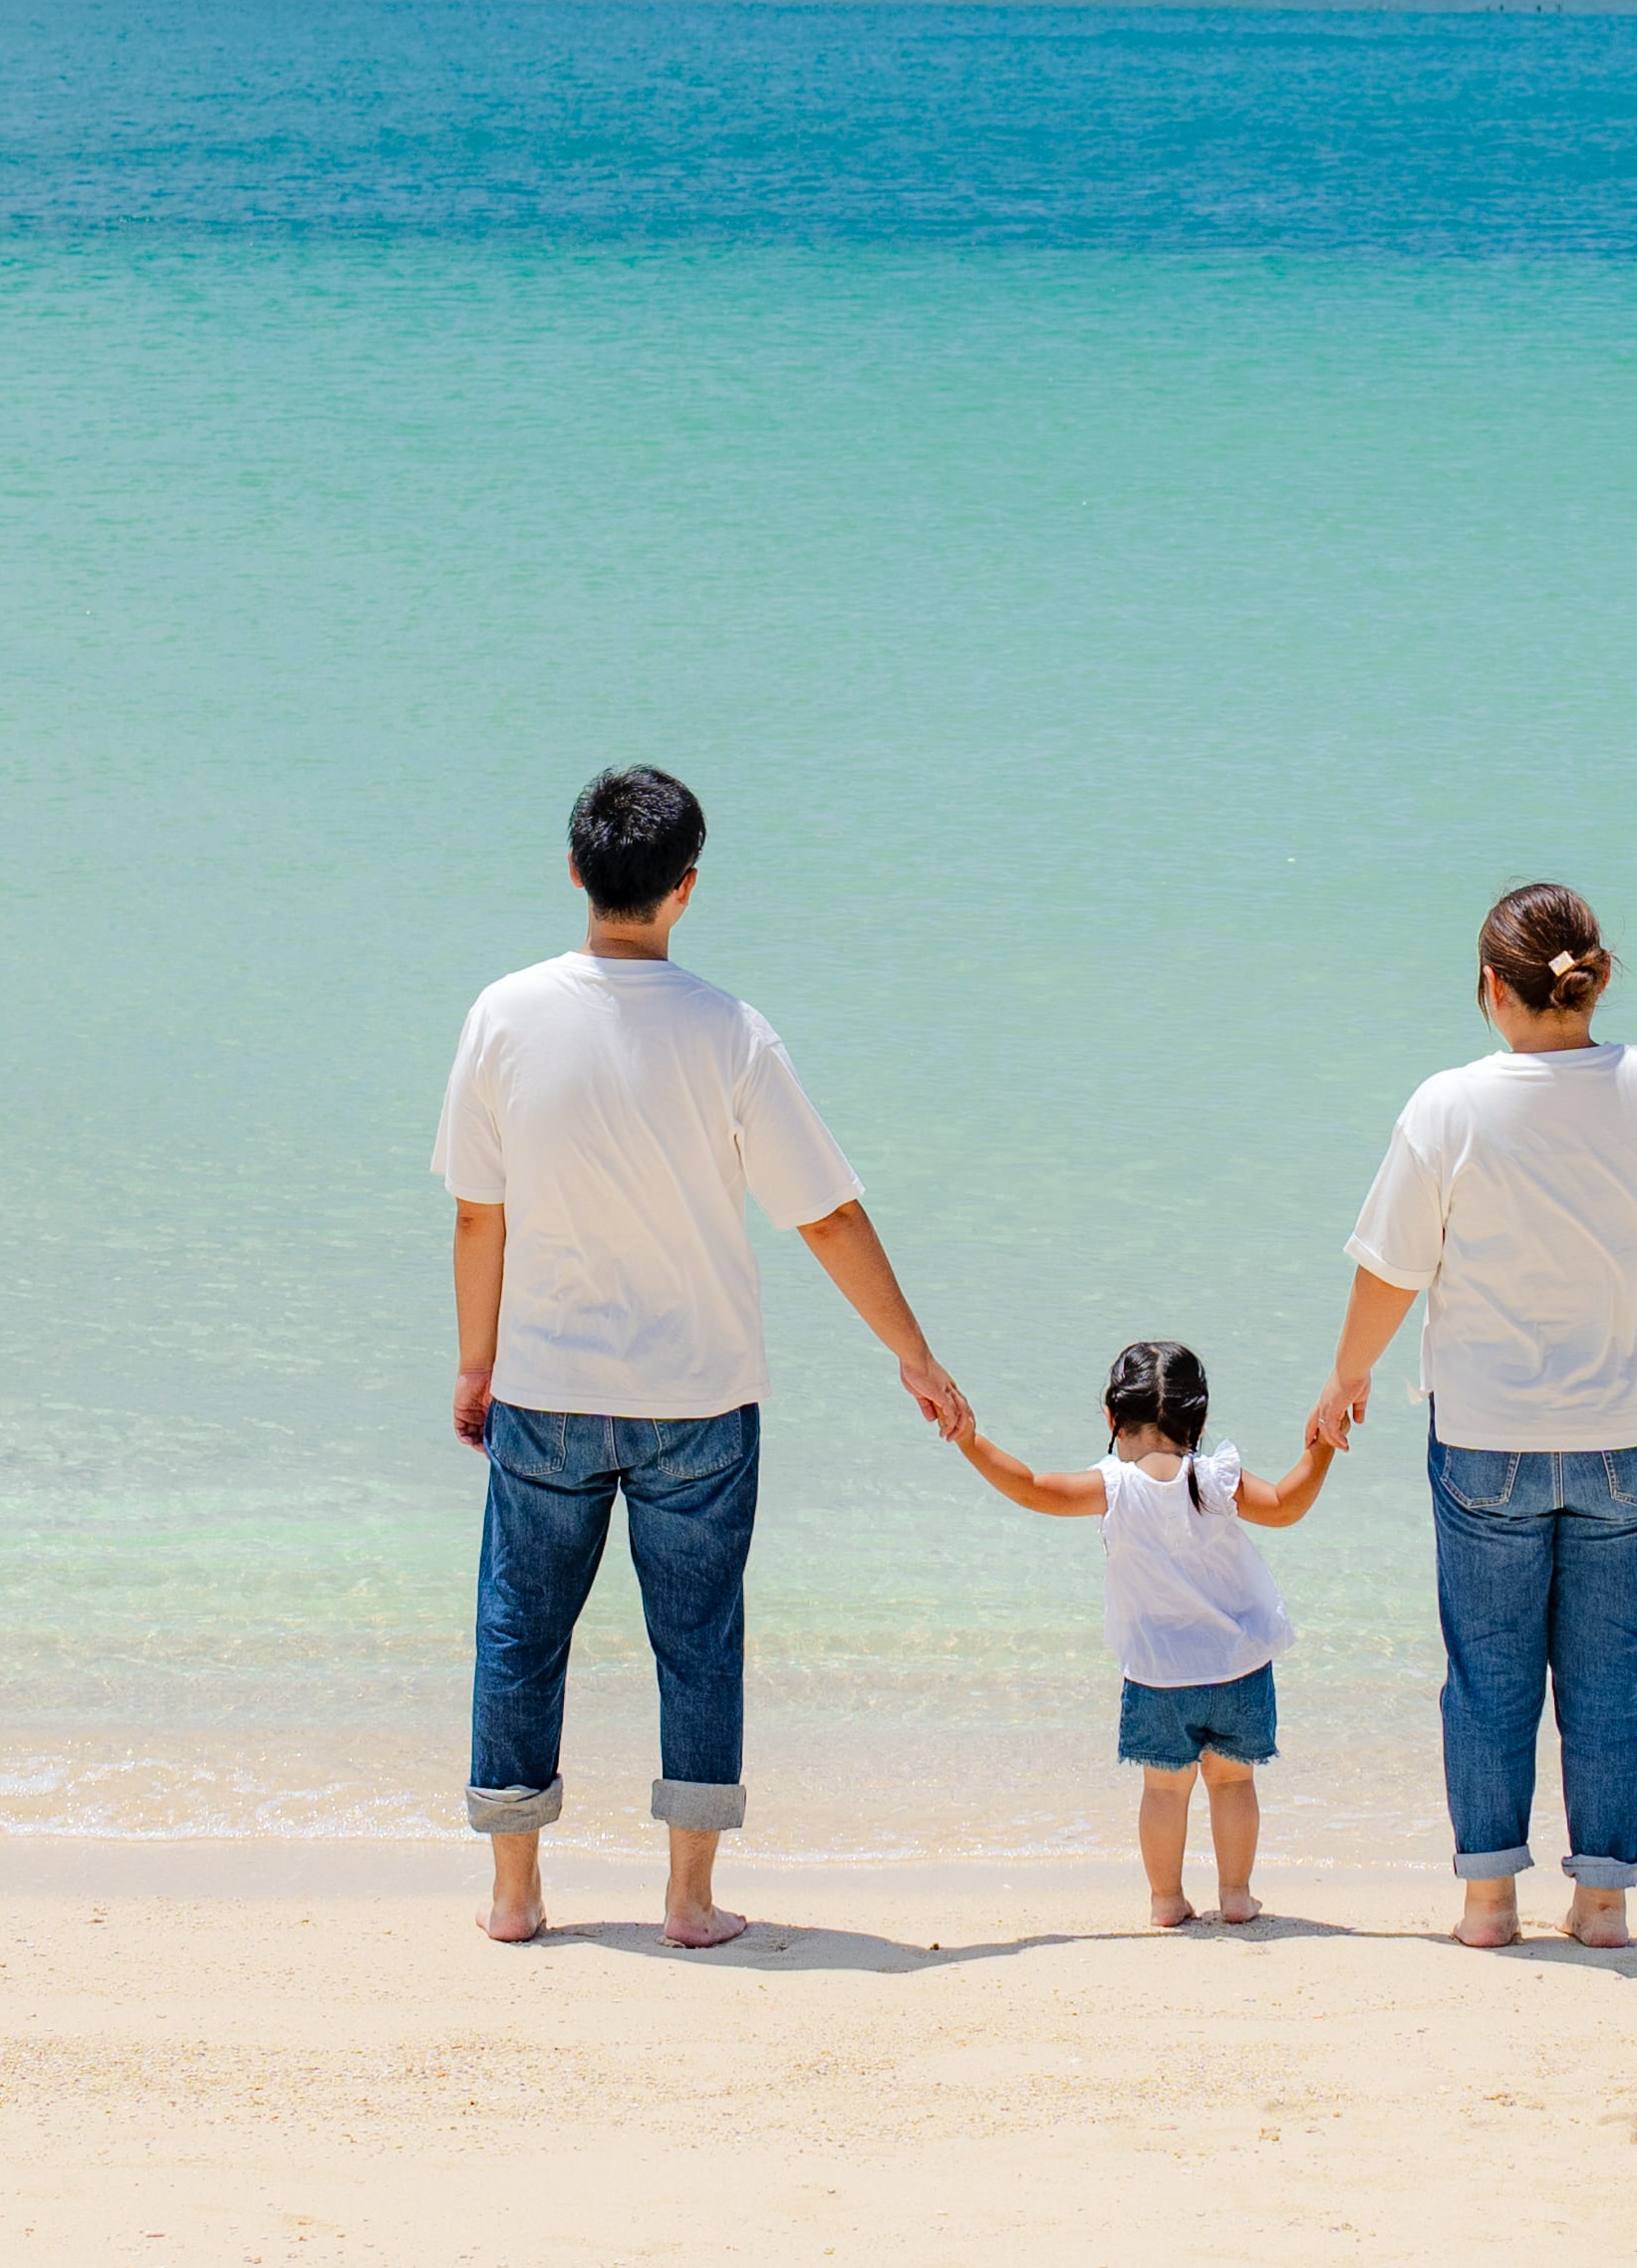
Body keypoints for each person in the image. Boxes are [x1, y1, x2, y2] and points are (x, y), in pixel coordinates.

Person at [433, 762, 974, 1949]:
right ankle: (685, 1899)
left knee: (523, 1629)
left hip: (546, 1387)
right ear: (685, 890)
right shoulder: (732, 1031)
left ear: (576, 871)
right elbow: (823, 1214)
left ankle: (518, 1894)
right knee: (698, 1638)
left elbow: (481, 1214)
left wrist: (476, 1363)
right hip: (700, 1398)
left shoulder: (504, 1014)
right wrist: (915, 1356)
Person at [1301, 877, 1637, 1952]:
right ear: (1591, 981)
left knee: (1489, 1668)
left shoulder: (1449, 1103)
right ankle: (1601, 1903)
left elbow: (1392, 1270)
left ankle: (1489, 1901)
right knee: (1613, 1669)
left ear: (1491, 987)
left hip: (1490, 1438)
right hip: (1635, 1435)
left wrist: (1344, 1377)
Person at [939, 1336, 1349, 1926]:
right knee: (1233, 1784)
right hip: (1238, 1667)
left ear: (1112, 1417)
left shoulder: (1112, 1488)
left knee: (1163, 1791)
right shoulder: (1215, 1479)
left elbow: (1030, 1486)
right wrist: (1324, 1444)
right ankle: (1236, 1896)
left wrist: (969, 1440)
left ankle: (1166, 1900)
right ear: (1197, 1421)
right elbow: (1286, 1505)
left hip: (1158, 1676)